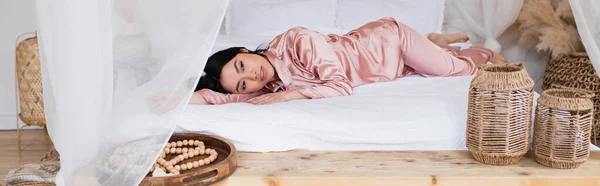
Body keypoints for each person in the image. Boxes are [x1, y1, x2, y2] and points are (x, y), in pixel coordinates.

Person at [189, 17, 507, 105]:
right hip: (389, 68)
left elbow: (341, 87)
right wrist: (180, 99)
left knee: (455, 70)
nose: (252, 77)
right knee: (429, 64)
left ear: (243, 51)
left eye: (242, 65)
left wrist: (290, 95)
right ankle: (435, 41)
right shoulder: (267, 83)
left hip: (391, 42)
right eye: (244, 83)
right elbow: (222, 97)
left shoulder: (297, 39)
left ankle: (482, 52)